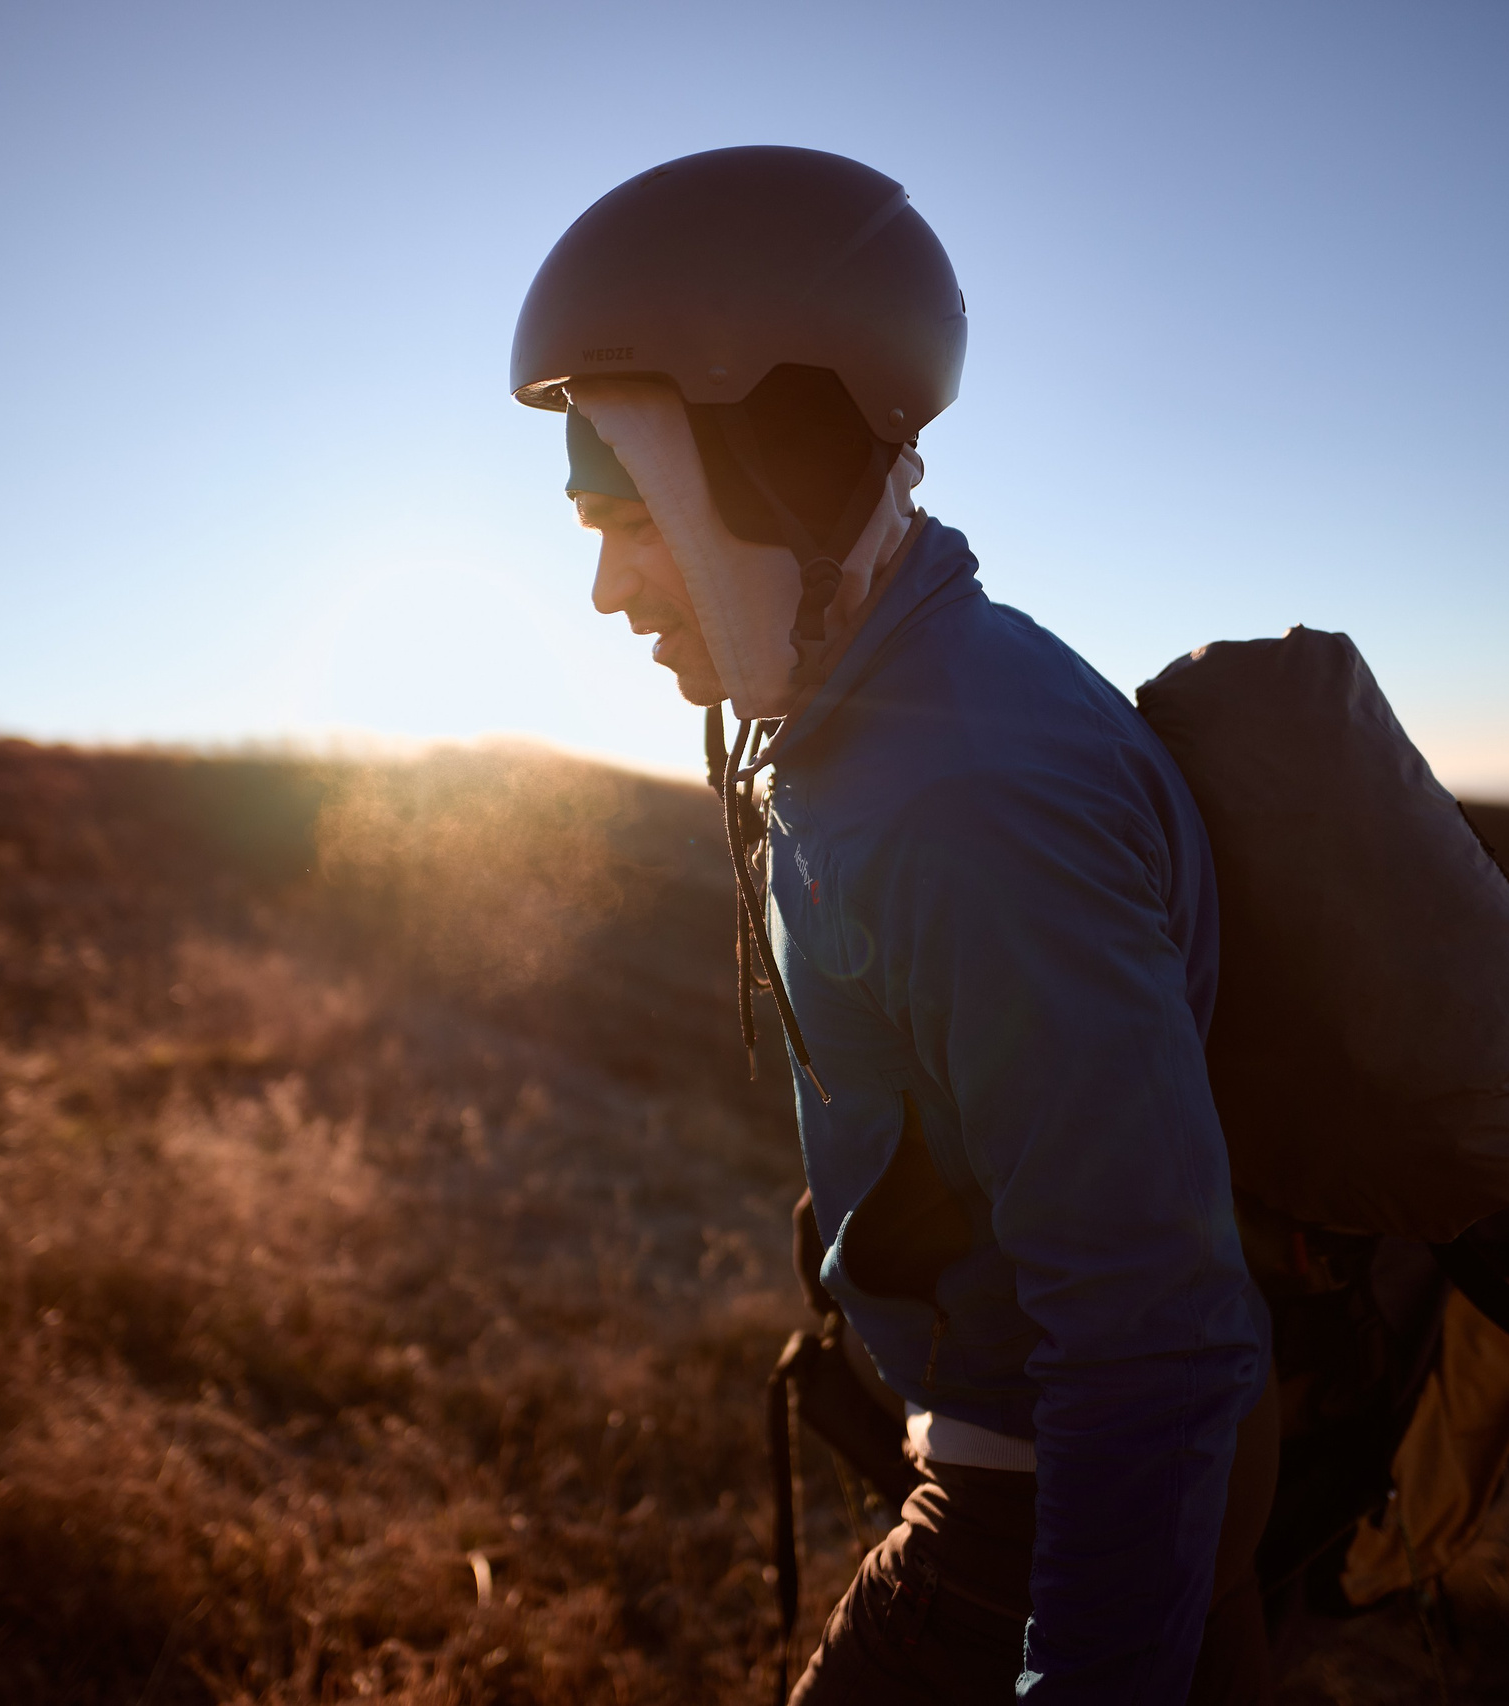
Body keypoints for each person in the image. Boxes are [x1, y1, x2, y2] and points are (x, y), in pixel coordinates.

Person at [510, 147, 1276, 1705]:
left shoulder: (965, 794)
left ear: (766, 464)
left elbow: (1155, 1335)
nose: (602, 587)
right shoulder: (886, 702)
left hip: (1031, 1510)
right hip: (1014, 1463)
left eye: (629, 510)